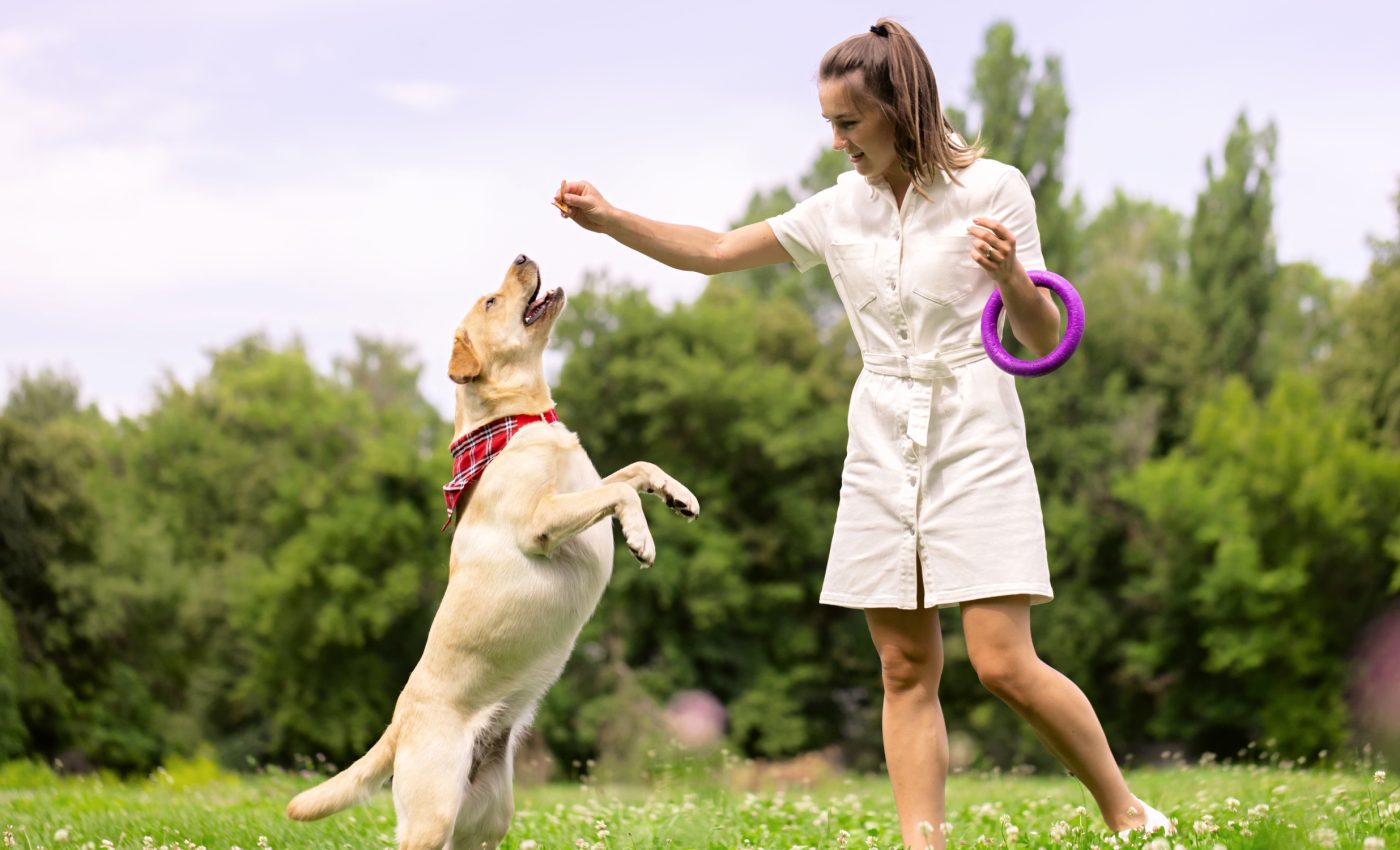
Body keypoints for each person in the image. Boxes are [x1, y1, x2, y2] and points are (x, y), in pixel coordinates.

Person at [554, 18, 1171, 846]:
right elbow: (715, 250)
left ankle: (1128, 811)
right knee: (903, 666)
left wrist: (1010, 277)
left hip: (974, 427)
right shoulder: (838, 210)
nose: (837, 141)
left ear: (899, 108)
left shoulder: (994, 190)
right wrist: (610, 220)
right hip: (881, 434)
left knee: (1001, 662)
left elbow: (1040, 336)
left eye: (849, 122)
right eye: (829, 124)